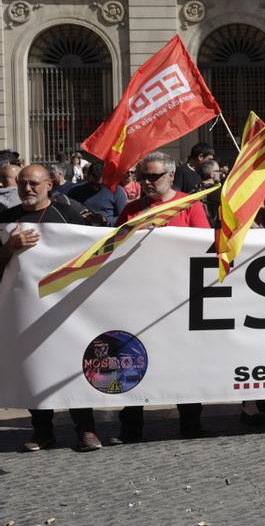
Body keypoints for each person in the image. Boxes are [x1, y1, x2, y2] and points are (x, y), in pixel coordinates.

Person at [109, 153, 211, 444]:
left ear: (169, 176)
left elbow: (204, 245)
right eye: (143, 176)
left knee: (183, 361)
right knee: (133, 360)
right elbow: (113, 247)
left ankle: (190, 421)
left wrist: (167, 238)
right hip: (139, 299)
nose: (146, 182)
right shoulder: (131, 210)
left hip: (179, 298)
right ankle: (131, 426)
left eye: (153, 176)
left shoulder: (189, 206)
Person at [0, 163, 101, 452]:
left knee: (73, 364)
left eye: (34, 183)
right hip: (22, 308)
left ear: (49, 185)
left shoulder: (68, 216)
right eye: (22, 183)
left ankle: (86, 429)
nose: (27, 189)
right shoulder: (7, 219)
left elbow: (93, 256)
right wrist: (9, 247)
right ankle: (42, 430)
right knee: (33, 367)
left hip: (64, 308)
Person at [67, 161, 128, 226]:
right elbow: (66, 211)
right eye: (92, 184)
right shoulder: (75, 190)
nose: (95, 188)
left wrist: (105, 220)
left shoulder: (117, 191)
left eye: (100, 185)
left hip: (106, 232)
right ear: (87, 176)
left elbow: (124, 219)